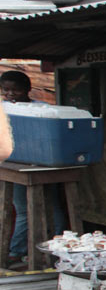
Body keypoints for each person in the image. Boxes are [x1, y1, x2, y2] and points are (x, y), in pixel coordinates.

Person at [2, 71, 67, 266]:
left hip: (43, 166)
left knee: (52, 207)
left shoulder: (42, 109)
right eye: (6, 90)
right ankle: (17, 250)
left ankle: (57, 247)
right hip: (14, 167)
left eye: (16, 90)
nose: (11, 94)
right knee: (22, 210)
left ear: (28, 89)